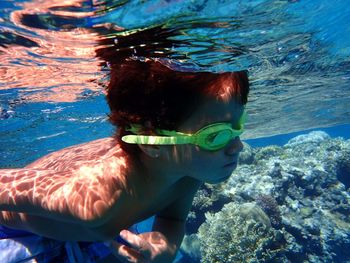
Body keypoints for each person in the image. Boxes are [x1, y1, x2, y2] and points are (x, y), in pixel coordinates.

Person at [0, 58, 249, 263]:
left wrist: (167, 247)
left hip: (91, 236)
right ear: (151, 141)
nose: (237, 146)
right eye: (216, 136)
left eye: (238, 126)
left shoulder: (187, 174)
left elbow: (173, 219)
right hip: (15, 232)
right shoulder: (96, 198)